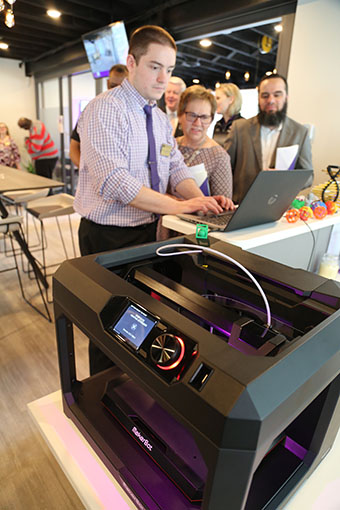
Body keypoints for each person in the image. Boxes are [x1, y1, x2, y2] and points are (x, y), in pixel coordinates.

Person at [75, 25, 232, 374]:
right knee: (109, 321)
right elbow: (116, 183)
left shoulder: (159, 119)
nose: (164, 78)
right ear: (131, 61)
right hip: (107, 235)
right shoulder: (104, 110)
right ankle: (103, 395)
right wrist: (181, 206)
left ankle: (133, 389)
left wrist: (202, 200)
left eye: (171, 69)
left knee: (142, 322)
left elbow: (176, 169)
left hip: (148, 233)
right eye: (155, 66)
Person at [224, 74, 313, 204]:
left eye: (277, 95)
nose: (271, 100)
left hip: (279, 208)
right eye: (265, 96)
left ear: (286, 98)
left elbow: (308, 176)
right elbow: (225, 169)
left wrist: (286, 180)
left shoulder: (300, 132)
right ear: (259, 99)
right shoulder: (239, 128)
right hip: (240, 206)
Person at [176, 85, 233, 199]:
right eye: (192, 115)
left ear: (211, 120)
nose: (197, 123)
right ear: (180, 115)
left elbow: (222, 209)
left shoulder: (219, 156)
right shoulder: (171, 146)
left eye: (204, 117)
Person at [69, 64, 129, 168]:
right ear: (107, 83)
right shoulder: (91, 111)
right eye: (113, 86)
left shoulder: (136, 114)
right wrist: (87, 171)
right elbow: (74, 147)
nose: (116, 91)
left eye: (122, 87)